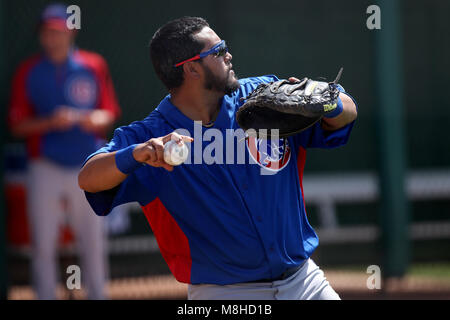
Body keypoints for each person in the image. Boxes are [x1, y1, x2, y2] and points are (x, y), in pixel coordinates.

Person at [78, 17, 357, 300]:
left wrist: (329, 103)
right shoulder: (152, 135)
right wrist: (138, 153)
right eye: (219, 50)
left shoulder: (264, 100)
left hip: (304, 282)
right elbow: (88, 178)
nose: (228, 54)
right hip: (224, 294)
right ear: (191, 68)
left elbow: (348, 111)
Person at [8, 3, 121, 299]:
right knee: (43, 244)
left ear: (70, 32)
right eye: (47, 32)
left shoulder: (93, 64)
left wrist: (91, 119)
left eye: (58, 32)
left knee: (93, 243)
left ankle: (98, 295)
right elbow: (17, 125)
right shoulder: (28, 71)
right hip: (45, 164)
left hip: (89, 164)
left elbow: (108, 113)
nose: (52, 38)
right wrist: (49, 122)